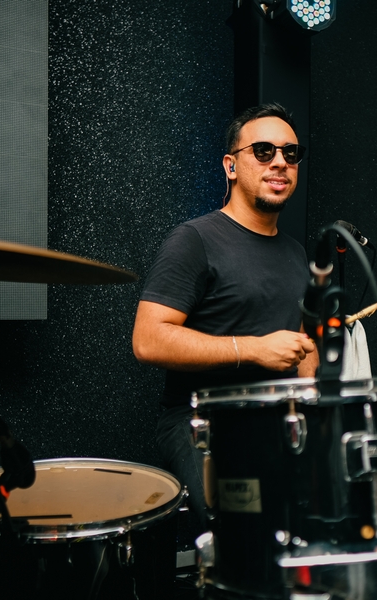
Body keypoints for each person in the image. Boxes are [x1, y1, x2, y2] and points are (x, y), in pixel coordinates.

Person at [132, 102, 318, 539]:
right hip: (205, 422)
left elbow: (303, 343)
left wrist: (315, 403)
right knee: (248, 532)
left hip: (279, 419)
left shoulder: (295, 253)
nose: (280, 162)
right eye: (264, 151)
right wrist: (252, 349)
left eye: (290, 153)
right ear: (231, 166)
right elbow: (148, 339)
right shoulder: (195, 239)